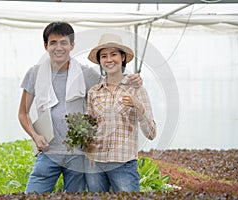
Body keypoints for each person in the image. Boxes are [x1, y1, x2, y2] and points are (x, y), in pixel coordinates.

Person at [18, 22, 142, 194]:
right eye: (53, 42)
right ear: (46, 46)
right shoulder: (35, 73)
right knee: (32, 194)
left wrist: (132, 80)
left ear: (72, 45)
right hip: (47, 152)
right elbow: (23, 113)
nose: (58, 47)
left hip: (78, 155)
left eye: (64, 42)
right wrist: (35, 136)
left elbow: (112, 84)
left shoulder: (86, 74)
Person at [85, 33, 157, 192]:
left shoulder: (136, 89)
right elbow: (89, 128)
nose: (108, 59)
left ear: (123, 57)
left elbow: (151, 133)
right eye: (104, 56)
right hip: (95, 166)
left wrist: (137, 105)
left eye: (113, 54)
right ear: (100, 61)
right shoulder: (94, 92)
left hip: (123, 164)